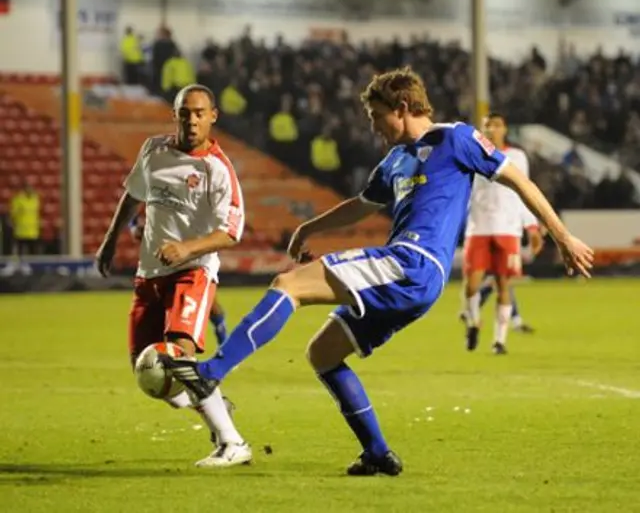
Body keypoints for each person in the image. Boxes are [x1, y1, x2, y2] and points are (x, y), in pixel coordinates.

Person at [161, 68, 594, 476]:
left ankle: (210, 373)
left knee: (288, 285)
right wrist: (310, 227)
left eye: (377, 116)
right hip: (410, 279)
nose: (373, 126)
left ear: (403, 106)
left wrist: (562, 236)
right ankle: (376, 453)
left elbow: (519, 180)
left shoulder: (455, 138)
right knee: (323, 353)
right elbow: (360, 205)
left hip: (412, 263)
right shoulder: (393, 162)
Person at [95, 84, 251, 468]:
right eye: (185, 113)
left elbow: (230, 232)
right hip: (149, 273)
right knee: (146, 370)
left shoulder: (218, 169)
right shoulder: (154, 151)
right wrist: (110, 240)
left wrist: (187, 248)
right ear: (175, 115)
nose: (192, 120)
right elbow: (132, 195)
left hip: (192, 271)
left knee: (176, 356)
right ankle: (213, 402)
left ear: (213, 116)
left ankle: (233, 442)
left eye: (199, 113)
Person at [462, 112, 544, 354]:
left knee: (503, 285)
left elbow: (524, 190)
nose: (491, 129)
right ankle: (474, 322)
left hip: (508, 229)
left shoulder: (517, 156)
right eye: (487, 125)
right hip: (478, 228)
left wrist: (532, 226)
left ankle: (499, 341)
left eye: (496, 125)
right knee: (471, 285)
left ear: (504, 129)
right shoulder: (470, 154)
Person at [129, 210, 228, 348]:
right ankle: (165, 355)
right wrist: (138, 231)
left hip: (190, 260)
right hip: (161, 265)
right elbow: (133, 223)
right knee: (163, 312)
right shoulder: (148, 200)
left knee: (212, 306)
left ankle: (222, 335)